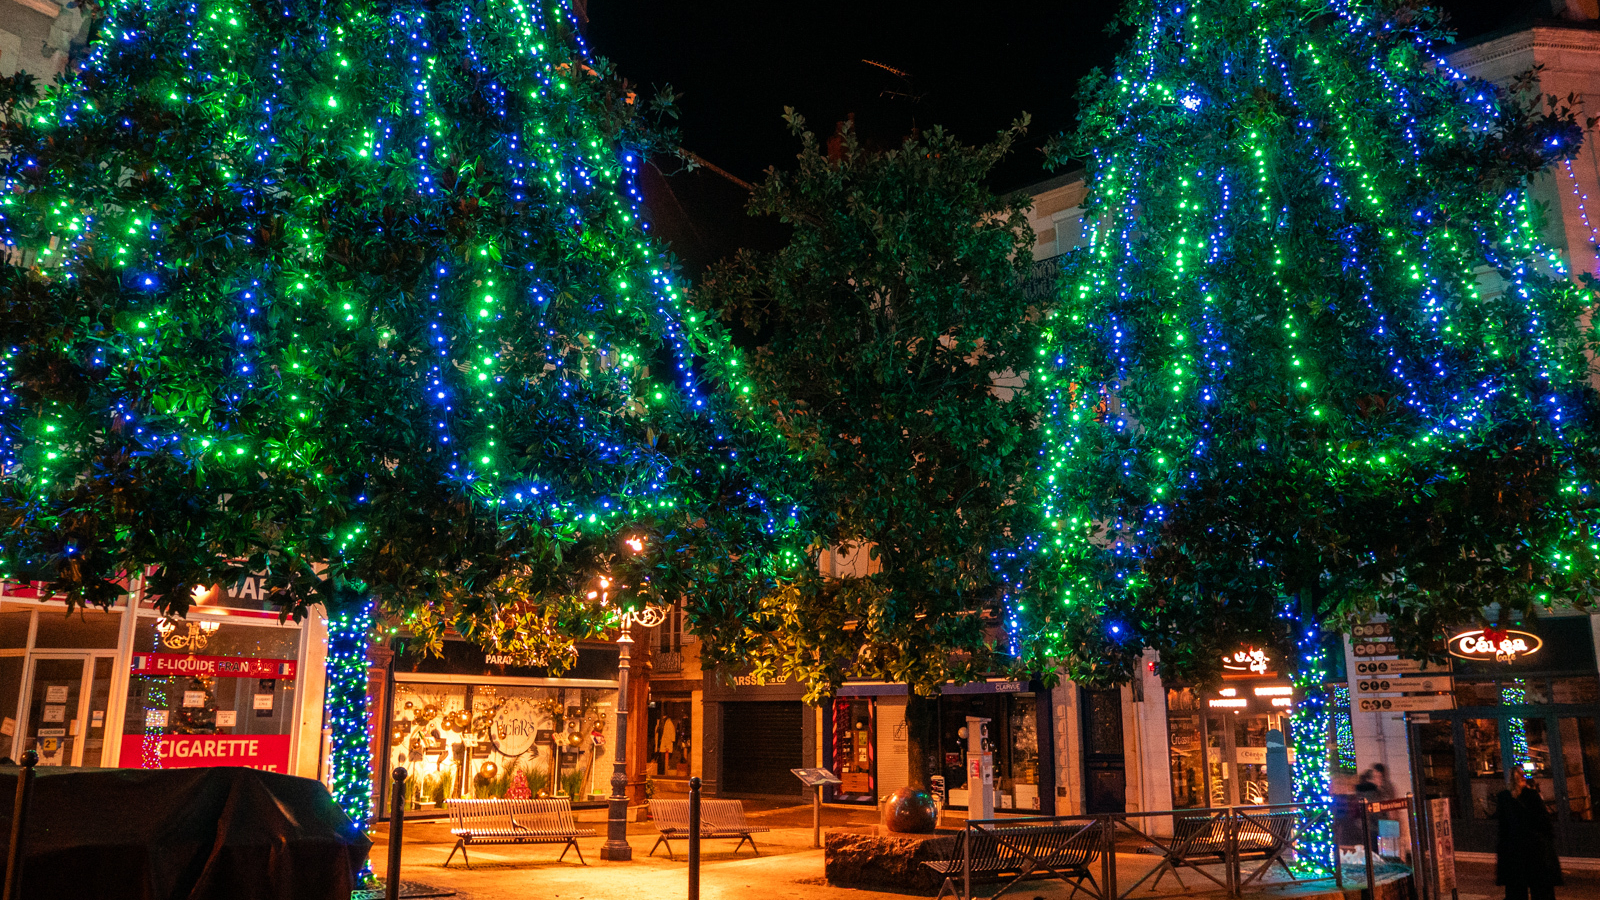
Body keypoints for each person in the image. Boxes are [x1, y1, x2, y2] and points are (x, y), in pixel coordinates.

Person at [1520, 780, 1563, 900]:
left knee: (1538, 886)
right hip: (1540, 850)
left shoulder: (1519, 801)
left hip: (1533, 851)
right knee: (1544, 887)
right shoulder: (1533, 800)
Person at [1495, 788, 1528, 900]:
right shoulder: (1514, 808)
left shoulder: (1507, 809)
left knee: (1513, 884)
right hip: (1515, 851)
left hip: (1511, 851)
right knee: (1516, 883)